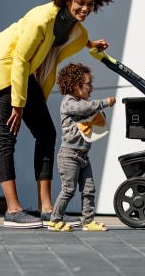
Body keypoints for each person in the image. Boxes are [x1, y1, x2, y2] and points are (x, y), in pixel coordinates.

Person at [0, 0, 116, 228]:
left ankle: (46, 208)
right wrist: (18, 105)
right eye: (81, 2)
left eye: (90, 4)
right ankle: (13, 209)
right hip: (2, 69)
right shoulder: (40, 19)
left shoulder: (78, 30)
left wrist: (91, 44)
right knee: (6, 135)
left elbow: (67, 38)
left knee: (46, 133)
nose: (85, 9)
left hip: (22, 75)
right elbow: (20, 58)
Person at [47, 62, 115, 232]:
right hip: (69, 155)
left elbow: (95, 115)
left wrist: (99, 114)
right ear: (76, 85)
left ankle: (88, 221)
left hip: (84, 156)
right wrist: (104, 102)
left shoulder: (83, 103)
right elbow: (85, 108)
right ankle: (54, 220)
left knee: (89, 189)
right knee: (69, 189)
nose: (91, 88)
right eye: (88, 84)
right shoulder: (69, 103)